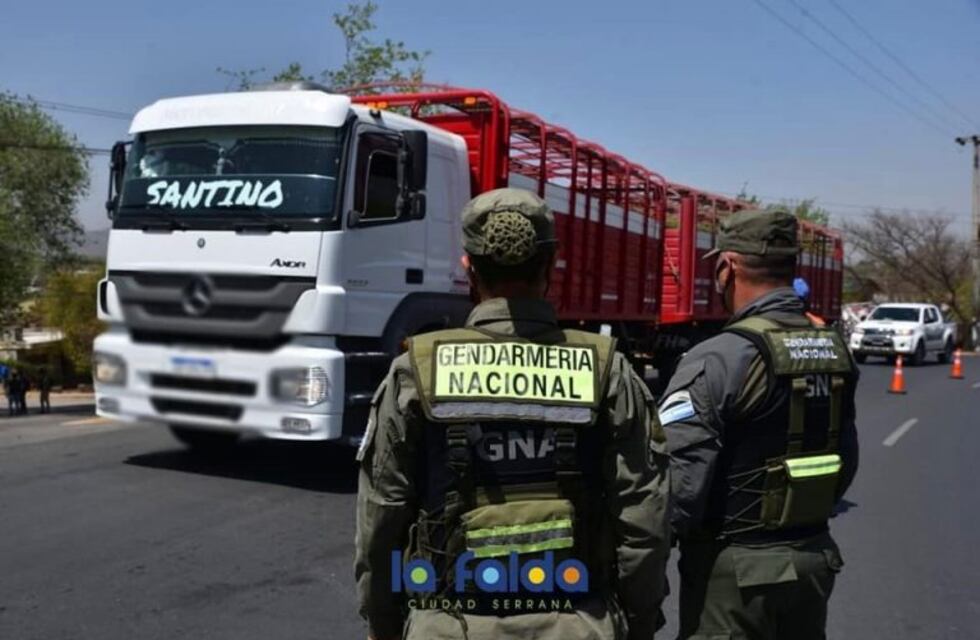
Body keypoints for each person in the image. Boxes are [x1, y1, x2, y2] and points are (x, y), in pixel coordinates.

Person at [355, 188, 671, 640]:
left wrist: (384, 625)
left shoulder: (416, 372)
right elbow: (644, 518)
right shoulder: (607, 370)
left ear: (469, 269)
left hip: (448, 624)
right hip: (577, 622)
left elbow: (380, 520)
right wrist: (636, 623)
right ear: (550, 267)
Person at [660, 209, 859, 640]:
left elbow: (679, 487)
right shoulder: (836, 351)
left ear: (728, 267)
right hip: (813, 562)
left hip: (735, 575)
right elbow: (845, 463)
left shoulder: (718, 357)